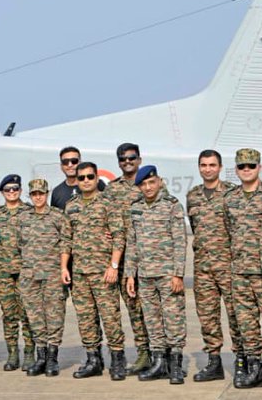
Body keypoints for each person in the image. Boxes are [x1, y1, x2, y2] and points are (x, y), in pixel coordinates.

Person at [223, 148, 262, 388]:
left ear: (259, 167)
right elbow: (229, 230)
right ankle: (254, 367)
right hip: (240, 272)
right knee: (246, 323)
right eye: (242, 167)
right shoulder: (230, 198)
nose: (246, 170)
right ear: (236, 170)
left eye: (251, 166)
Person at [124, 166, 188, 383]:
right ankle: (159, 361)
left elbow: (180, 241)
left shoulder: (171, 206)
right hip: (144, 275)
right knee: (152, 320)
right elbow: (132, 244)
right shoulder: (135, 209)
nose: (148, 187)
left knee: (173, 317)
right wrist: (130, 274)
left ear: (159, 181)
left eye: (151, 183)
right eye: (143, 184)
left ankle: (176, 364)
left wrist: (178, 273)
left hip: (167, 273)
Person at [65, 162, 126, 380]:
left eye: (90, 176)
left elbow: (119, 236)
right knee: (86, 319)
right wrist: (64, 267)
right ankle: (93, 359)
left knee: (110, 317)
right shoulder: (71, 206)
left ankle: (118, 359)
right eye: (81, 178)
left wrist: (114, 266)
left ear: (96, 177)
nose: (86, 181)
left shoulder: (108, 204)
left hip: (103, 272)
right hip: (80, 272)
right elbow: (66, 239)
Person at [185, 150, 242, 382]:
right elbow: (195, 227)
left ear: (219, 167)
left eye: (212, 165)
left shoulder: (231, 193)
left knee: (236, 315)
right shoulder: (193, 195)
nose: (207, 169)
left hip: (228, 265)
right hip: (203, 267)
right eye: (203, 165)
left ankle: (242, 361)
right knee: (207, 316)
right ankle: (214, 362)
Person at [103, 142, 152, 375]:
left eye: (132, 158)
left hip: (149, 259)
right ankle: (144, 352)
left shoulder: (149, 184)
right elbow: (104, 218)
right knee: (134, 308)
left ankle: (162, 354)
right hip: (124, 260)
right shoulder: (112, 189)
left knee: (154, 310)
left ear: (139, 159)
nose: (127, 162)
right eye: (123, 159)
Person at [16, 179, 70, 376]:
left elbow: (65, 244)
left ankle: (52, 358)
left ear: (47, 194)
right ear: (29, 196)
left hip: (52, 274)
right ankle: (41, 356)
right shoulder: (23, 218)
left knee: (54, 315)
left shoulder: (58, 216)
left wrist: (64, 268)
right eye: (34, 194)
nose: (38, 197)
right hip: (29, 275)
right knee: (35, 316)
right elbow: (18, 245)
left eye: (41, 193)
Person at [0, 174, 35, 371]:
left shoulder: (30, 213)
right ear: (2, 193)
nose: (11, 192)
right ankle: (13, 353)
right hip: (3, 273)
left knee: (28, 313)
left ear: (20, 191)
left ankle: (30, 352)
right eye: (7, 190)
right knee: (9, 314)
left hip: (25, 272)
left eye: (15, 189)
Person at [51, 146, 105, 210]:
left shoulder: (97, 184)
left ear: (80, 162)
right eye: (65, 162)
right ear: (61, 166)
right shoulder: (57, 192)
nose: (70, 165)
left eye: (74, 161)